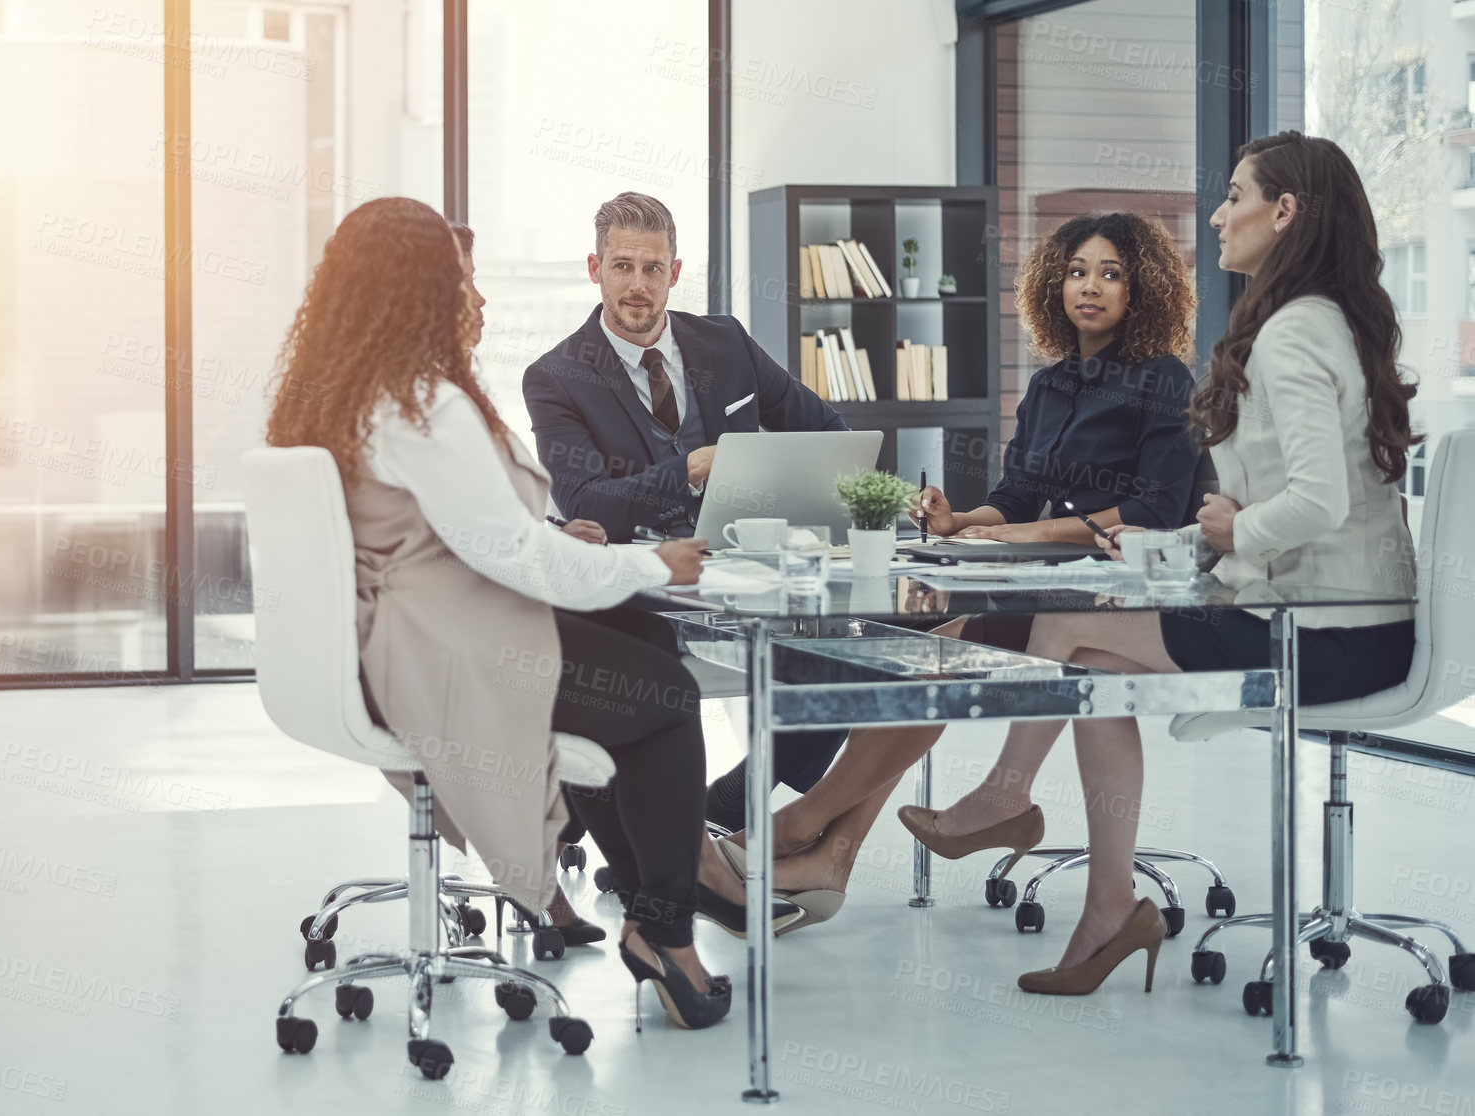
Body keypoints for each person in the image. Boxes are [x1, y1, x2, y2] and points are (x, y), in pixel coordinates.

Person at [269, 197, 730, 1029]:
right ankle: (665, 932)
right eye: (460, 280)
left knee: (637, 631)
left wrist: (565, 542)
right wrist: (651, 560)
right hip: (438, 660)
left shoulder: (334, 392)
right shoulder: (420, 404)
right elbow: (511, 558)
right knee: (668, 695)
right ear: (416, 291)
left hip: (370, 654)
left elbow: (448, 528)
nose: (475, 299)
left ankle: (644, 898)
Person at [997, 131, 1418, 995]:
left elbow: (1318, 504)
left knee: (1067, 622)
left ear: (1285, 211)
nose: (1220, 215)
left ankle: (1005, 797)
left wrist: (1228, 533)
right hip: (1356, 620)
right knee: (1098, 662)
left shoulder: (1292, 334)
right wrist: (1192, 541)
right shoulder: (1331, 317)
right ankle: (1111, 906)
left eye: (1235, 196)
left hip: (1320, 632)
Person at [706, 212, 1201, 930]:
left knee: (936, 649)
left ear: (1142, 288)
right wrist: (959, 522)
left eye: (1110, 273)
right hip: (1035, 578)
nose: (1089, 287)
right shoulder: (1049, 388)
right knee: (920, 648)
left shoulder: (1165, 381)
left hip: (1117, 593)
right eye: (1076, 272)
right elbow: (1014, 501)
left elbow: (1155, 509)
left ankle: (801, 827)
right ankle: (828, 859)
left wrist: (1031, 533)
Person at [522, 190, 848, 829]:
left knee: (851, 652)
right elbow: (586, 506)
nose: (637, 286)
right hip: (645, 590)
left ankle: (737, 797)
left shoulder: (726, 343)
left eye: (652, 269)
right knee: (640, 681)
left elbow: (827, 433)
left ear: (674, 272)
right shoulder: (557, 377)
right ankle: (655, 838)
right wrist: (692, 467)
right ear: (596, 269)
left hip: (745, 570)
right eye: (622, 267)